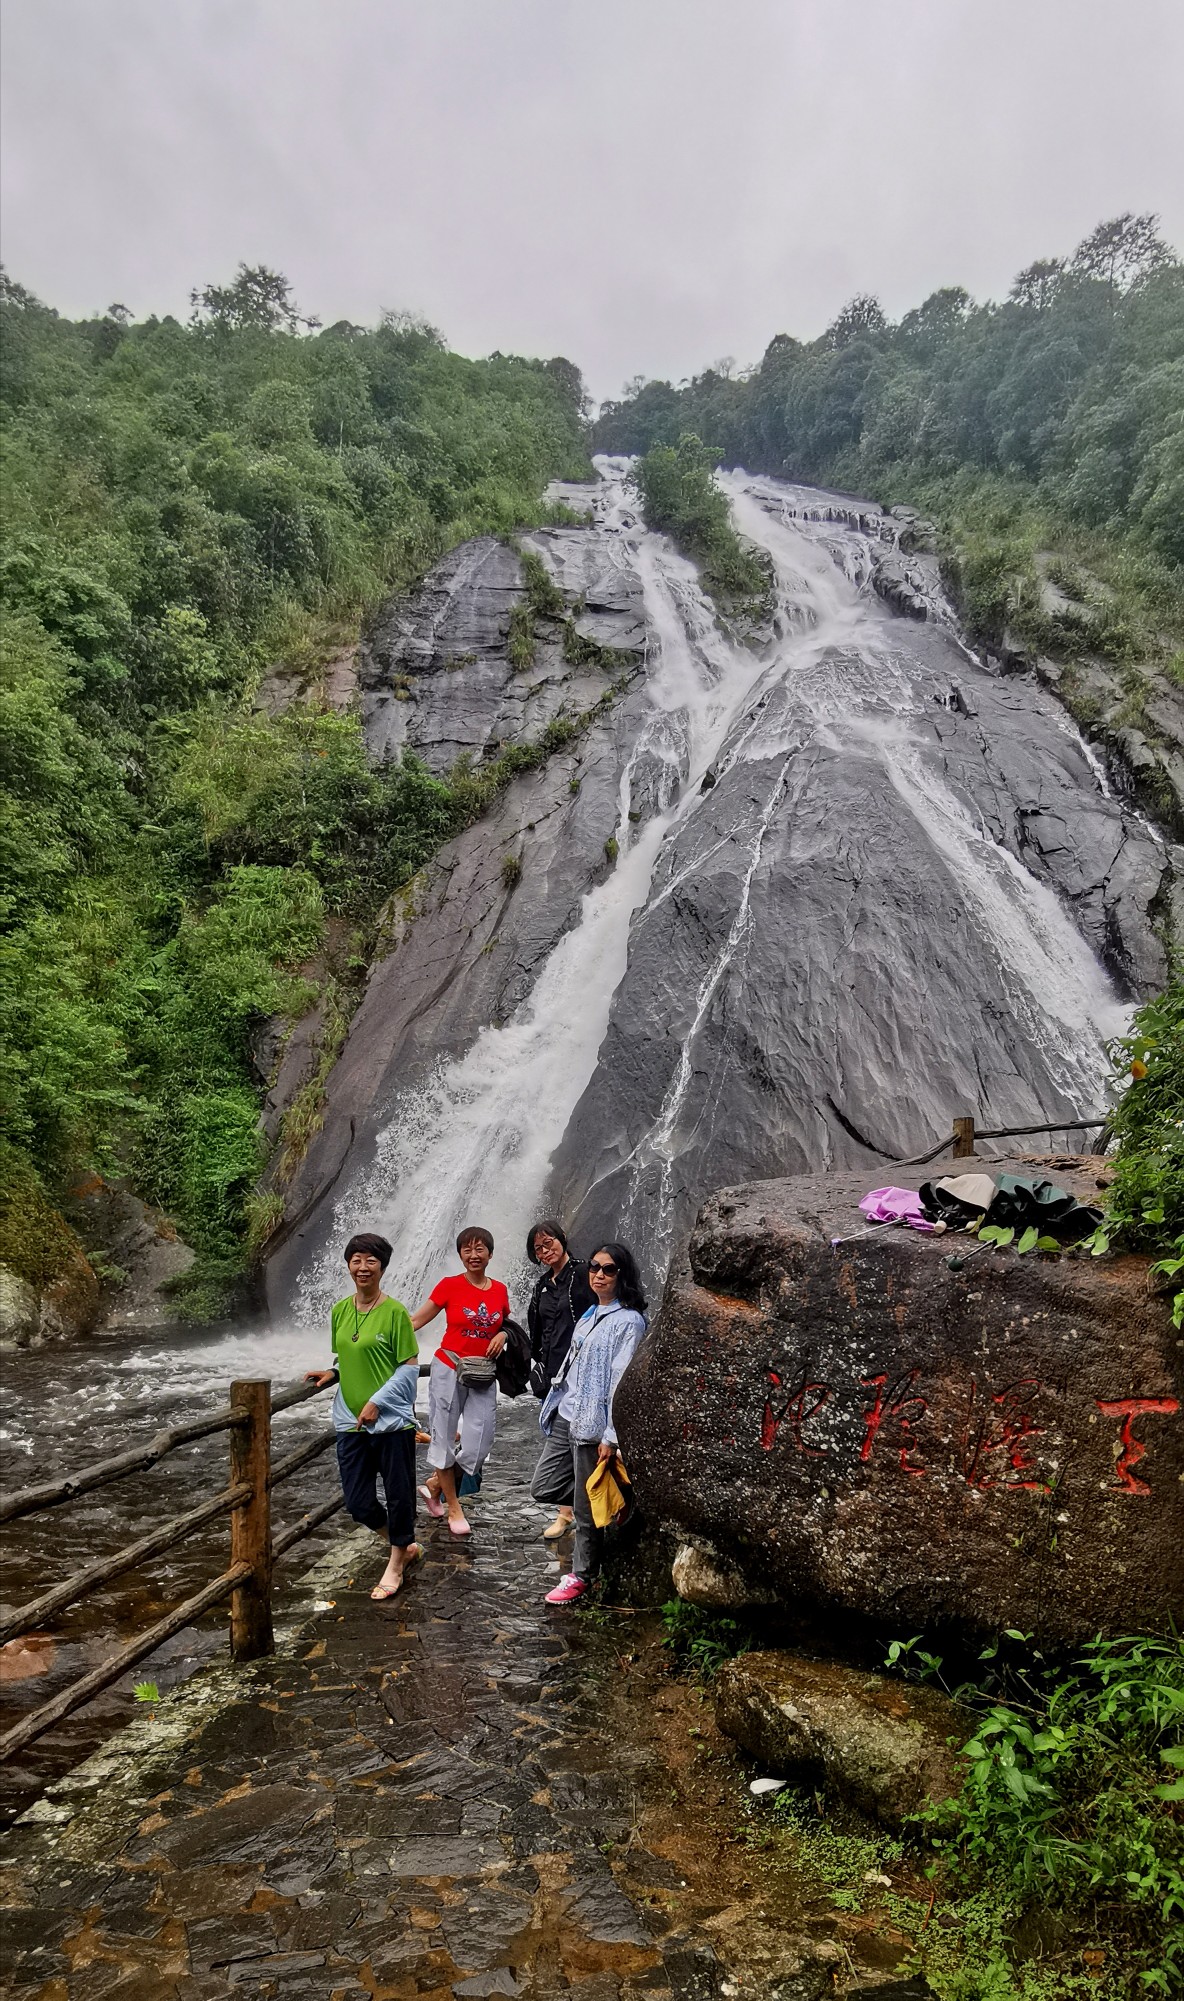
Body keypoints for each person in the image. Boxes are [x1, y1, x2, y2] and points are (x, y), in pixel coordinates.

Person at [305, 1232, 420, 1600]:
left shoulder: (396, 1312)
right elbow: (350, 1356)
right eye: (356, 1259)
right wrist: (333, 1374)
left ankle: (397, 1561)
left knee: (400, 1495)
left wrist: (377, 1402)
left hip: (389, 1421)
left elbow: (407, 1368)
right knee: (358, 1502)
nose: (362, 1267)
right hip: (349, 1420)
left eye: (370, 1260)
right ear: (349, 1265)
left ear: (382, 1267)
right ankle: (402, 1543)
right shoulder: (340, 1310)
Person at [531, 1240, 647, 1605]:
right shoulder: (589, 1313)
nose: (598, 1274)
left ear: (622, 1275)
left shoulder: (629, 1321)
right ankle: (611, 1507)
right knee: (544, 1485)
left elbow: (620, 1379)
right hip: (567, 1413)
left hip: (592, 1425)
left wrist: (611, 1437)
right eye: (594, 1267)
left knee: (582, 1509)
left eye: (608, 1269)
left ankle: (582, 1575)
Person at [412, 1225, 509, 1539]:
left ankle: (436, 1484)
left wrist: (504, 1335)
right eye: (467, 1249)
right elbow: (416, 1320)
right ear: (460, 1254)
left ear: (490, 1254)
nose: (473, 1255)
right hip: (448, 1368)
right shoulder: (449, 1285)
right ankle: (454, 1506)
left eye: (480, 1249)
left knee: (479, 1444)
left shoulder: (500, 1290)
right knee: (442, 1439)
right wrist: (380, 1335)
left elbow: (505, 1325)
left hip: (483, 1372)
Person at [525, 1219, 595, 1541]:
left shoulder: (584, 1273)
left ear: (562, 1239)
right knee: (558, 1444)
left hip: (583, 1375)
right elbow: (536, 1333)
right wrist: (538, 1369)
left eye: (549, 1242)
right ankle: (567, 1511)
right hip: (554, 1381)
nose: (545, 1250)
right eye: (539, 1248)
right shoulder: (542, 1287)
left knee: (580, 1445)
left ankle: (585, 1508)